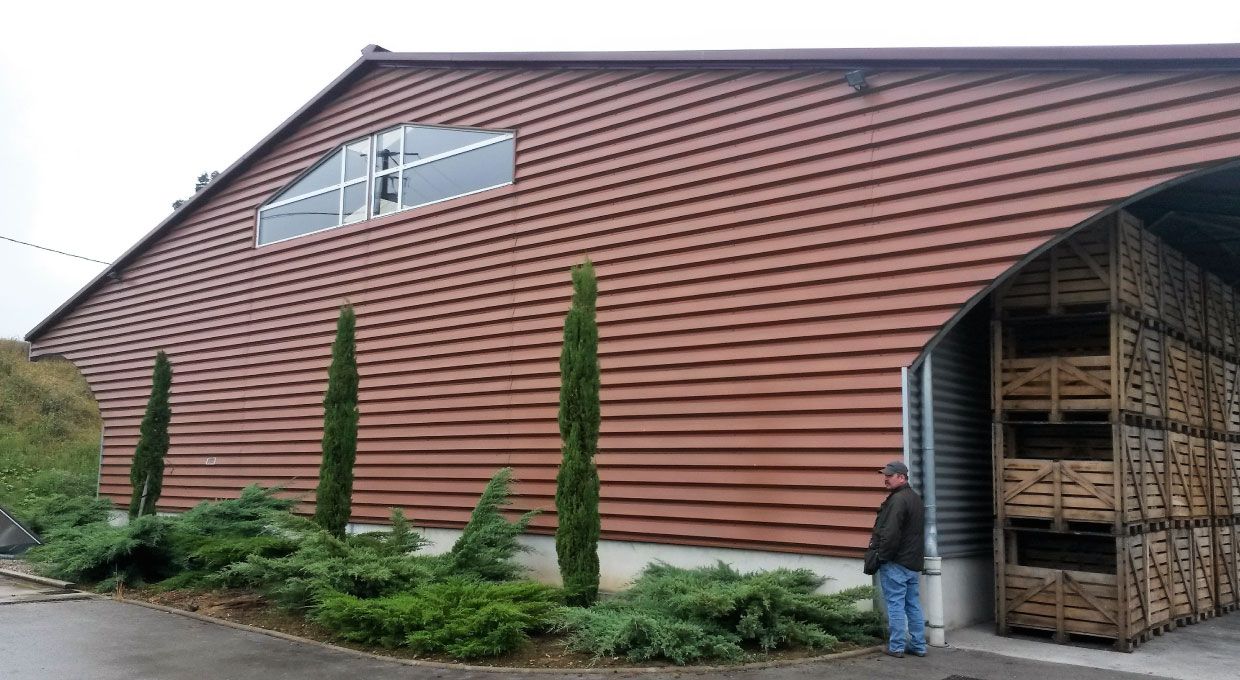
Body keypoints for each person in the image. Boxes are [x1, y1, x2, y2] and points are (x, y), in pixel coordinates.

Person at [869, 460, 927, 658]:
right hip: (913, 562)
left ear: (901, 477)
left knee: (895, 604)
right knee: (913, 604)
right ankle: (919, 645)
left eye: (889, 475)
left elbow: (890, 533)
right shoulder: (915, 499)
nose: (885, 479)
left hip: (896, 562)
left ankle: (896, 647)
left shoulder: (897, 500)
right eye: (885, 475)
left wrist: (882, 557)